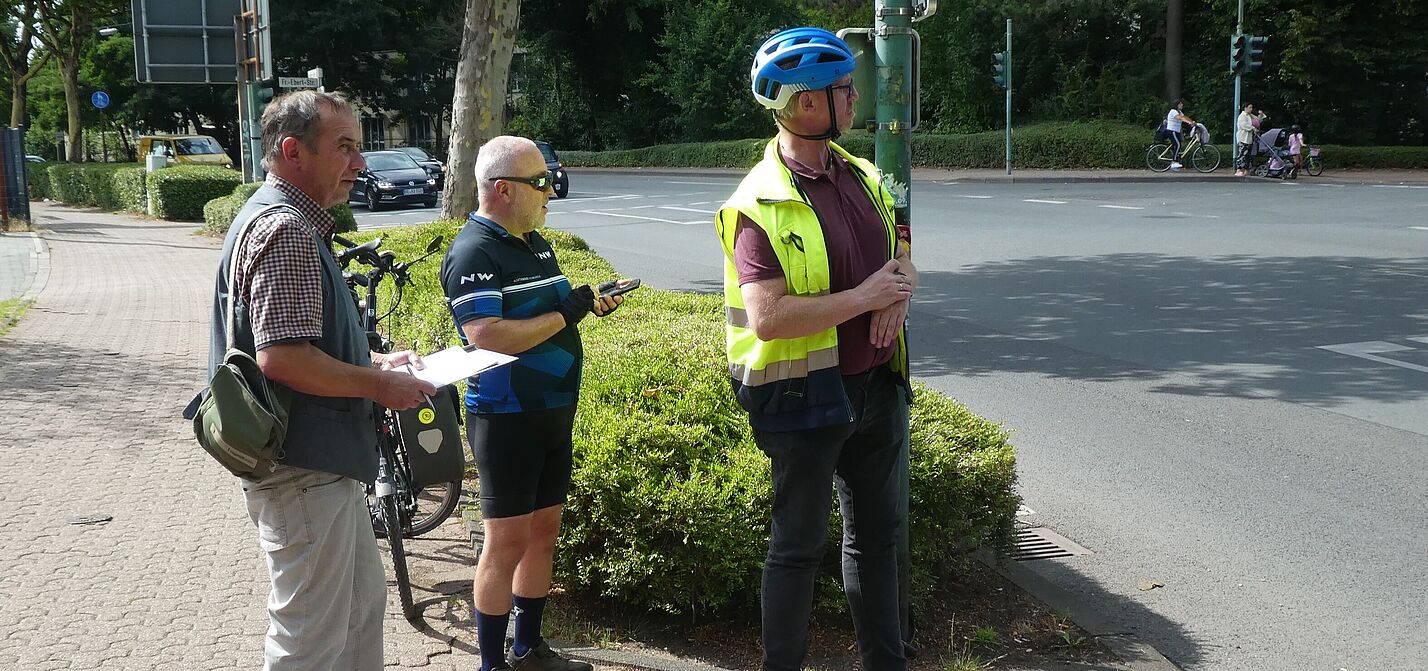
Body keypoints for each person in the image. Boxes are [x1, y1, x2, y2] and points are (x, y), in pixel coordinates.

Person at [210, 90, 437, 670]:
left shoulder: (273, 217)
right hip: (305, 470)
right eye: (344, 148)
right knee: (309, 640)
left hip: (317, 468)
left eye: (359, 148)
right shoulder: (285, 229)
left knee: (359, 614)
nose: (359, 163)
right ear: (293, 151)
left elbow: (296, 347)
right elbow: (283, 359)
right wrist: (376, 385)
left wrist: (373, 365)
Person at [715, 27, 915, 671]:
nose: (856, 98)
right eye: (844, 89)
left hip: (877, 388)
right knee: (797, 549)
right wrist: (865, 298)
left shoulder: (861, 173)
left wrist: (897, 295)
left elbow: (899, 257)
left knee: (877, 543)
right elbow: (768, 317)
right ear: (806, 104)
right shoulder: (758, 203)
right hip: (803, 395)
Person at [439, 136, 622, 671]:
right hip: (507, 415)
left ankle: (529, 648)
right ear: (502, 190)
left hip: (554, 408)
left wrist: (588, 304)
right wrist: (567, 314)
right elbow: (486, 334)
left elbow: (547, 313)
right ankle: (492, 664)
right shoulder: (474, 250)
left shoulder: (536, 242)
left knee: (545, 531)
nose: (549, 191)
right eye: (539, 182)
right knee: (506, 542)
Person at [1166, 98, 1196, 171]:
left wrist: (1192, 122)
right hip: (1172, 131)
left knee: (1177, 146)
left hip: (1176, 131)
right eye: (1180, 104)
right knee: (1178, 145)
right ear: (1176, 105)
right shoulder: (1173, 111)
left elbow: (1184, 117)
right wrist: (1189, 122)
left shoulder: (1179, 112)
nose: (1182, 105)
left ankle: (1175, 166)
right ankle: (1173, 162)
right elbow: (1181, 118)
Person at [1235, 102, 1257, 176]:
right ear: (1245, 108)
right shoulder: (1242, 116)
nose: (1251, 109)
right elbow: (1244, 125)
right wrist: (1252, 128)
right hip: (1242, 138)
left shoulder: (1250, 116)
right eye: (1250, 107)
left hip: (1249, 138)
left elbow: (1257, 120)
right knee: (1242, 154)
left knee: (1247, 155)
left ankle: (1246, 169)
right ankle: (1239, 169)